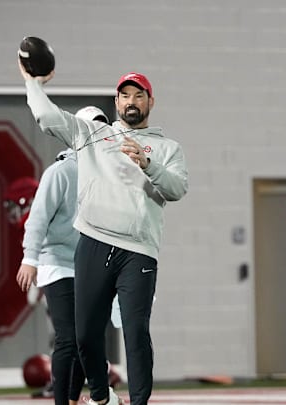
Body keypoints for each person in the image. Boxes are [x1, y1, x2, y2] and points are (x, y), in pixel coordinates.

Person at [19, 61, 189, 405]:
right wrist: (32, 82)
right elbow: (48, 117)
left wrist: (148, 163)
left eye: (137, 95)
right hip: (94, 243)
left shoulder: (168, 147)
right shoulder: (93, 135)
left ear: (150, 102)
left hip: (138, 250)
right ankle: (101, 395)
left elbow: (177, 189)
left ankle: (139, 403)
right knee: (83, 335)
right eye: (124, 94)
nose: (130, 101)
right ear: (116, 101)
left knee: (136, 331)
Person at [15, 106, 109, 405]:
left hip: (89, 268)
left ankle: (70, 399)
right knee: (69, 337)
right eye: (89, 129)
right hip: (56, 263)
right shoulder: (59, 172)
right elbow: (37, 219)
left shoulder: (110, 176)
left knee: (85, 340)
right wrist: (30, 259)